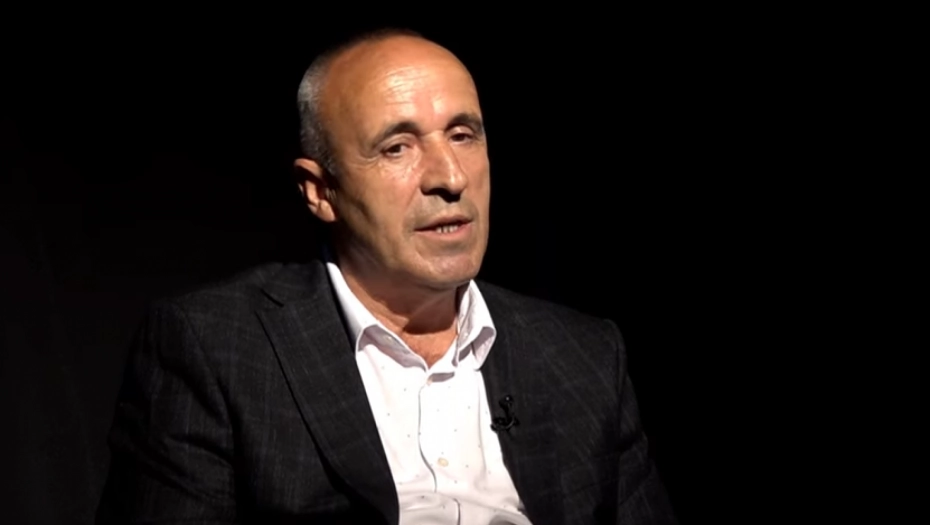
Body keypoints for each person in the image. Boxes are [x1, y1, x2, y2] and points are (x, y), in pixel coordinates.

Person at [96, 28, 677, 525]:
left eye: (462, 135)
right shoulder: (218, 348)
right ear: (320, 191)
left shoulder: (583, 355)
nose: (450, 177)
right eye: (397, 148)